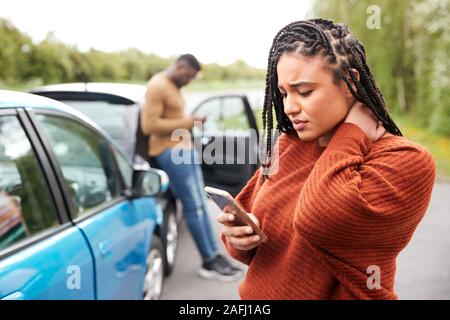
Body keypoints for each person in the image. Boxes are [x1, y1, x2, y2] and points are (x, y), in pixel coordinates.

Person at [218, 19, 436, 299]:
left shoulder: (406, 160)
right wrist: (241, 240)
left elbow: (319, 219)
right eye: (284, 93)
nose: (289, 107)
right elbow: (252, 245)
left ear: (350, 82)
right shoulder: (288, 146)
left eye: (304, 92)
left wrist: (351, 132)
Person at [140, 54, 243, 281]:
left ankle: (215, 256)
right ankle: (208, 261)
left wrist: (192, 123)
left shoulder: (172, 86)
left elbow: (171, 118)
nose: (188, 81)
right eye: (187, 76)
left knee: (200, 205)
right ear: (180, 66)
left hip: (184, 150)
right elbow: (150, 125)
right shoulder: (158, 86)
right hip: (170, 152)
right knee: (193, 206)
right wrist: (189, 122)